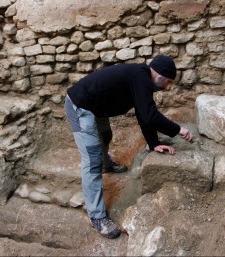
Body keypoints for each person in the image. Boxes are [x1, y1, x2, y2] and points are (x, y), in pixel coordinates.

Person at [64, 55, 193, 239]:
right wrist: (178, 129)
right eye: (167, 82)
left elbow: (143, 112)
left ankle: (106, 165)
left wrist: (153, 143)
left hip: (96, 107)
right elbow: (149, 115)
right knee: (91, 159)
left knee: (105, 136)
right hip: (80, 106)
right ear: (161, 75)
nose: (166, 87)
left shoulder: (141, 79)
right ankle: (97, 217)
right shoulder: (141, 76)